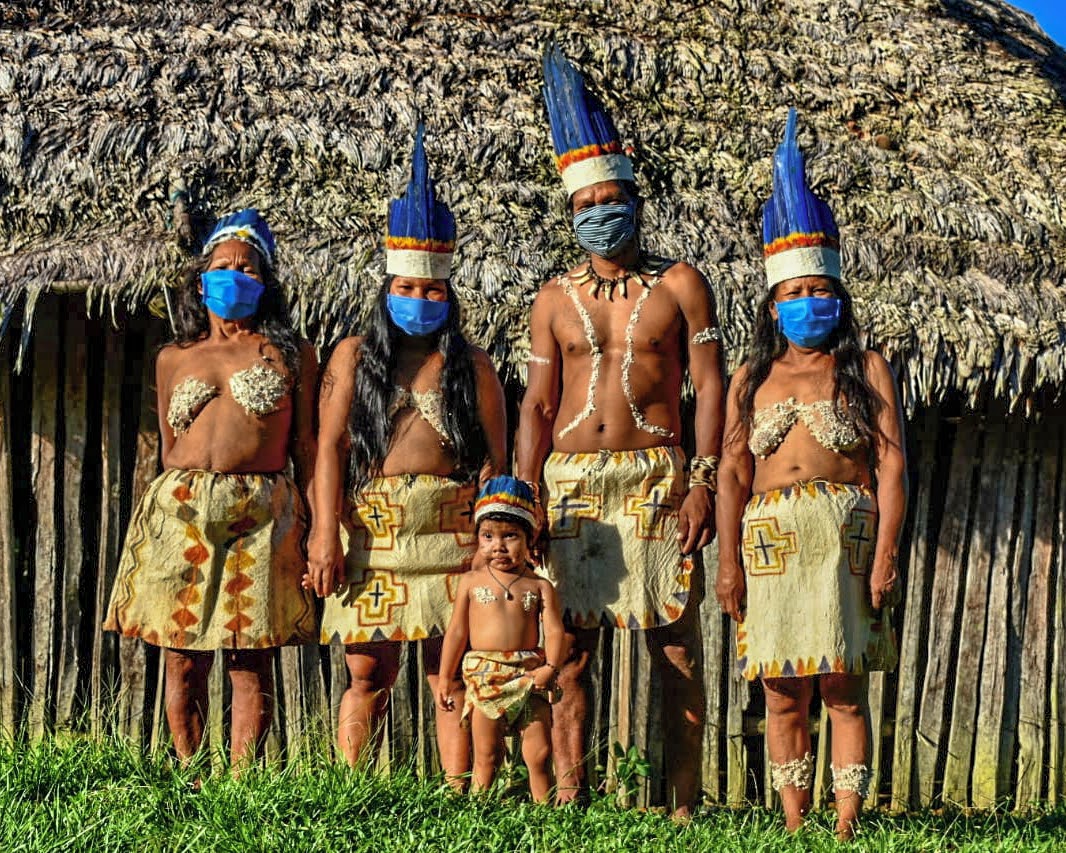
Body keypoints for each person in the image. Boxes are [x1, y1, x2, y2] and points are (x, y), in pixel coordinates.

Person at [514, 45, 725, 817]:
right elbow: (538, 406)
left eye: (612, 196)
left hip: (656, 481)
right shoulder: (551, 297)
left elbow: (710, 389)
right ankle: (569, 800)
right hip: (571, 489)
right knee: (568, 658)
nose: (601, 211)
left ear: (634, 197)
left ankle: (683, 808)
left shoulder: (681, 285)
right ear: (571, 212)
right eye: (586, 202)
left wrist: (700, 484)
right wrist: (524, 493)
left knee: (675, 654)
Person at [715, 109, 906, 841]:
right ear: (772, 302)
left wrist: (885, 554)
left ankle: (847, 823)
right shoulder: (750, 378)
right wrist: (728, 560)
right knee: (782, 688)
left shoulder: (867, 368)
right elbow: (734, 474)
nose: (807, 304)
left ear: (838, 294)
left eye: (817, 291)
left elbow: (891, 464)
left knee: (843, 688)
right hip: (768, 550)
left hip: (843, 546)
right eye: (792, 295)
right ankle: (796, 825)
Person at [306, 125, 507, 784]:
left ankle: (459, 798)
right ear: (387, 286)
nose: (420, 300)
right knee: (368, 667)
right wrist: (324, 533)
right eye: (409, 288)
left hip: (450, 532)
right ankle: (353, 790)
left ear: (449, 295)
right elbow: (331, 449)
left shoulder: (472, 366)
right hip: (373, 532)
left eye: (432, 290)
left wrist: (489, 538)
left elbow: (493, 462)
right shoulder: (352, 357)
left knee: (449, 668)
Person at [105, 208, 318, 769]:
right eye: (222, 266)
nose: (233, 275)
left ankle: (243, 786)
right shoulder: (174, 357)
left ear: (266, 282)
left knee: (251, 657)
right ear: (201, 282)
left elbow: (307, 448)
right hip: (181, 511)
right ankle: (191, 777)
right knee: (182, 657)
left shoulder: (291, 354)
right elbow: (172, 442)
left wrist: (320, 527)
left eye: (246, 267)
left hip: (263, 510)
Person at [436, 476, 566, 802]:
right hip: (485, 676)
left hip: (529, 674)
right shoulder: (470, 582)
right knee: (487, 756)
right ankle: (479, 814)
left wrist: (551, 666)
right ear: (477, 538)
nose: (499, 546)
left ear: (529, 538)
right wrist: (445, 677)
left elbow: (553, 630)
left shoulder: (539, 586)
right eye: (488, 536)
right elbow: (456, 632)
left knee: (539, 753)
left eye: (510, 536)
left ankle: (546, 814)